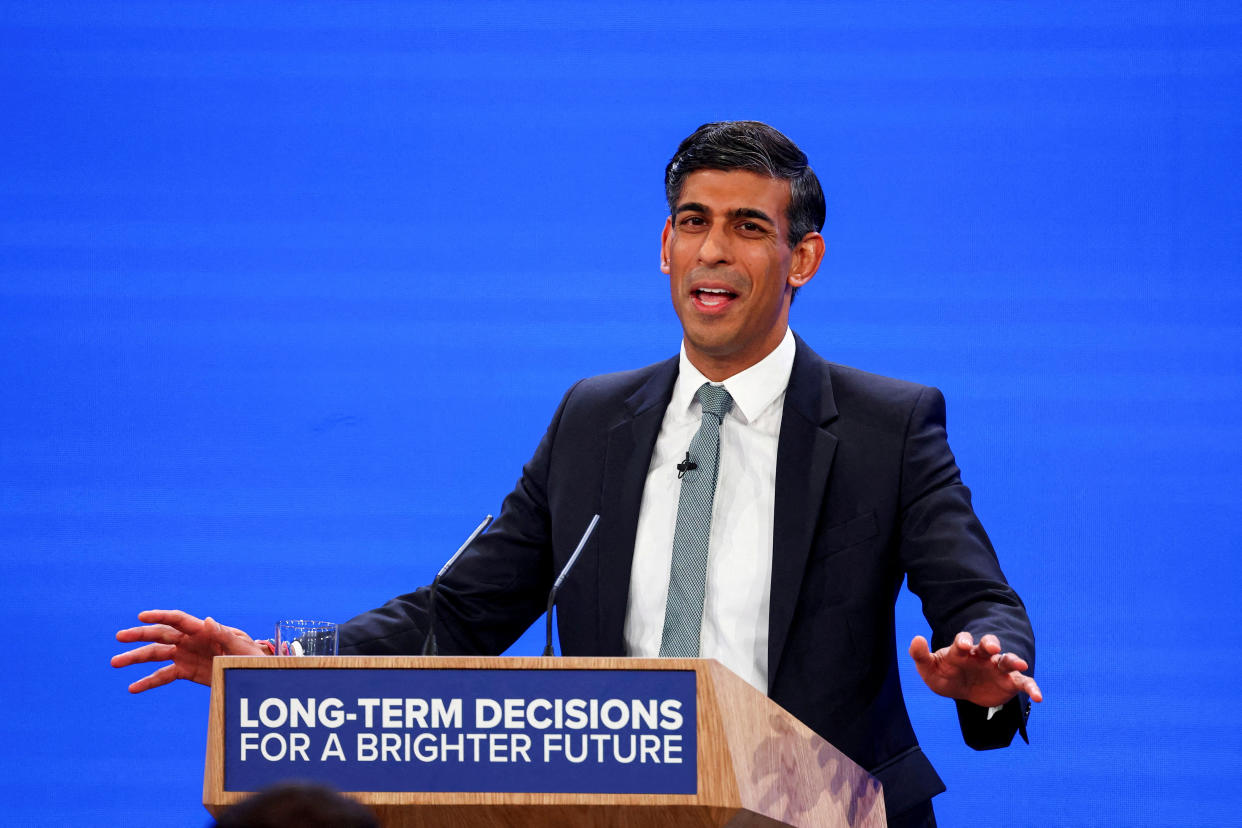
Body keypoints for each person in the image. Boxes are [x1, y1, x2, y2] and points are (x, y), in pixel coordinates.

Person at [114, 121, 1040, 828]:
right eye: (693, 222)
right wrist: (284, 673)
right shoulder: (595, 419)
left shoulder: (886, 423)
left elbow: (978, 601)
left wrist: (988, 673)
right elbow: (458, 614)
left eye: (748, 226)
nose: (713, 250)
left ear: (802, 259)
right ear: (666, 247)